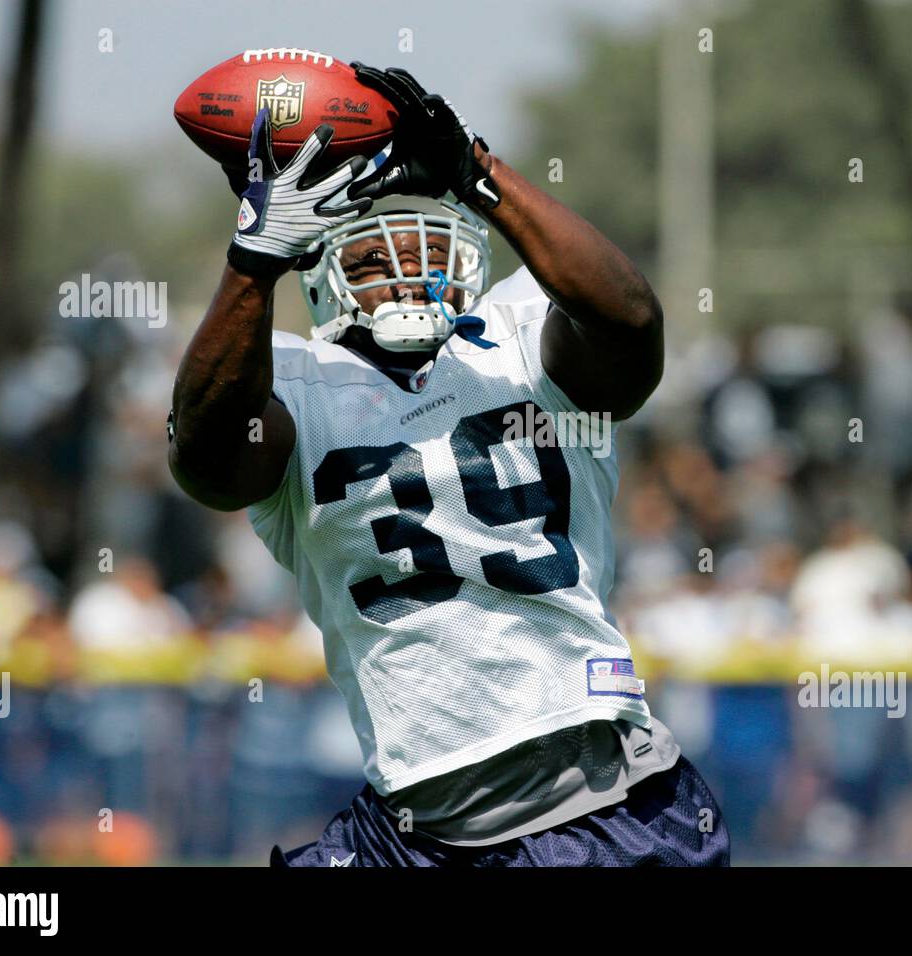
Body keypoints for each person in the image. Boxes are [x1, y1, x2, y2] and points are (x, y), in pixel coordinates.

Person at [167, 62, 729, 866]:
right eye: (370, 258)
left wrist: (480, 172)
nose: (404, 272)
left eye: (427, 248)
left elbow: (630, 324)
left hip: (604, 796)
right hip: (415, 822)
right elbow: (208, 461)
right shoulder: (295, 381)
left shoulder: (521, 337)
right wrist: (252, 260)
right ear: (320, 280)